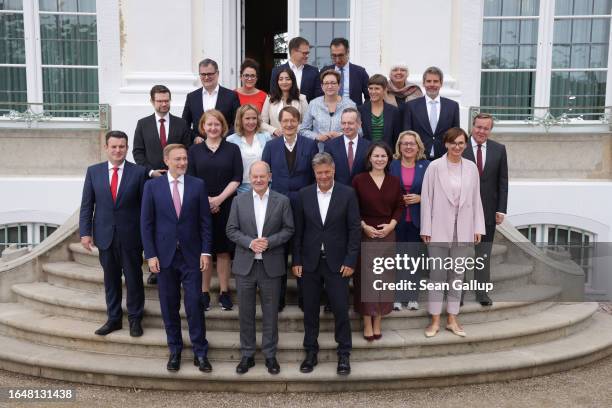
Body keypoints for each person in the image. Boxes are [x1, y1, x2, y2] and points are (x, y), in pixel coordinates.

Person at [140, 143, 213, 373]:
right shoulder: (152, 187)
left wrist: (206, 251)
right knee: (169, 306)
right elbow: (146, 224)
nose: (183, 163)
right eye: (178, 159)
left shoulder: (197, 185)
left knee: (194, 304)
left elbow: (205, 222)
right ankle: (175, 350)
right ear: (166, 161)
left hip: (192, 256)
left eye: (185, 158)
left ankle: (200, 352)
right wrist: (150, 255)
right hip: (164, 257)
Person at [292, 152, 361, 376]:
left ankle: (344, 354)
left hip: (338, 264)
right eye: (319, 172)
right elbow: (298, 231)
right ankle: (311, 352)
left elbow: (354, 230)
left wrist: (351, 260)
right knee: (310, 311)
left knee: (341, 310)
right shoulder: (303, 195)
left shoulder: (347, 193)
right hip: (310, 263)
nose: (323, 176)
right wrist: (297, 260)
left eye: (327, 172)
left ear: (333, 171)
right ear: (314, 173)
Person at [226, 161, 294, 375]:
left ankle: (270, 355)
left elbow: (288, 229)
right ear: (249, 177)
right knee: (245, 312)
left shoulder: (282, 201)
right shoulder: (238, 201)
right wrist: (249, 242)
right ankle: (247, 355)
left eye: (262, 176)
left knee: (271, 312)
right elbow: (231, 229)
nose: (258, 180)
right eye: (254, 176)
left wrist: (270, 241)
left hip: (271, 265)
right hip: (245, 264)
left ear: (269, 176)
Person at [79, 130, 146, 337]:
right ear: (106, 148)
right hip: (105, 236)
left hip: (131, 236)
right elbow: (87, 205)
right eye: (114, 146)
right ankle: (114, 319)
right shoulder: (94, 172)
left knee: (134, 279)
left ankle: (135, 319)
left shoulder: (139, 172)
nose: (118, 150)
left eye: (122, 146)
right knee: (111, 279)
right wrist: (85, 232)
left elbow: (145, 209)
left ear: (127, 148)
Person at [420, 127, 485, 338]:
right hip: (438, 228)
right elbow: (427, 199)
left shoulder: (471, 168)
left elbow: (476, 199)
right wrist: (426, 228)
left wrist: (478, 227)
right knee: (437, 274)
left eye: (461, 143)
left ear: (465, 145)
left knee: (457, 275)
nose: (457, 147)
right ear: (446, 144)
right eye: (453, 143)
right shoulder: (434, 167)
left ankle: (452, 318)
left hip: (464, 228)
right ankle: (435, 320)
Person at [133, 85, 192, 285]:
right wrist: (151, 172)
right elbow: (138, 153)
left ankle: (181, 264)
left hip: (178, 181)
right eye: (159, 100)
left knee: (176, 223)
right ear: (152, 102)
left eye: (166, 100)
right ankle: (155, 267)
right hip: (153, 182)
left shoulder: (181, 124)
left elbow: (187, 150)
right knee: (155, 225)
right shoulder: (143, 124)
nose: (163, 104)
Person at [262, 106, 318, 311]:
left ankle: (305, 299)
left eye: (293, 120)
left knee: (301, 249)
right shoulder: (271, 146)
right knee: (278, 252)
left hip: (303, 205)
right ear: (280, 122)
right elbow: (266, 177)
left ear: (299, 122)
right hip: (277, 205)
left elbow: (313, 178)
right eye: (285, 121)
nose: (288, 124)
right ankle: (278, 299)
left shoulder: (310, 145)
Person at [188, 110, 243, 312]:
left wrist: (219, 199)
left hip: (226, 203)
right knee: (204, 250)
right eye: (209, 125)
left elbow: (237, 177)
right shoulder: (194, 151)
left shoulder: (233, 149)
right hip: (200, 206)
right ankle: (204, 292)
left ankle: (224, 291)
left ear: (223, 127)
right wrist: (206, 201)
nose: (213, 128)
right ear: (203, 127)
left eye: (217, 124)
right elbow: (191, 179)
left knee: (223, 250)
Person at [351, 142, 403, 341]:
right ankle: (366, 322)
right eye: (376, 156)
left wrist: (392, 225)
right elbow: (353, 207)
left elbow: (399, 205)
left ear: (389, 159)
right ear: (369, 158)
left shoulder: (394, 181)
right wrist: (364, 226)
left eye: (383, 156)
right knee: (366, 279)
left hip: (387, 233)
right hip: (366, 232)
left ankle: (378, 321)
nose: (380, 159)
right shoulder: (359, 180)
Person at [462, 113, 508, 306]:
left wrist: (501, 209)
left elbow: (503, 181)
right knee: (460, 254)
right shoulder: (460, 148)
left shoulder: (499, 149)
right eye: (478, 127)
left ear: (490, 130)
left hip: (488, 212)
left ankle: (482, 294)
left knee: (483, 254)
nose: (481, 131)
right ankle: (459, 294)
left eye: (486, 128)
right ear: (472, 126)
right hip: (463, 211)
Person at [389, 131, 430, 310]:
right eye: (404, 143)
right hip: (396, 220)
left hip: (416, 219)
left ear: (418, 146)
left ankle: (412, 296)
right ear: (399, 146)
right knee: (398, 259)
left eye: (412, 144)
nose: (408, 147)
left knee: (413, 259)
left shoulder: (427, 166)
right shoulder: (392, 166)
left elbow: (435, 192)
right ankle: (398, 297)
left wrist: (421, 198)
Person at [402, 66, 460, 160]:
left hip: (444, 158)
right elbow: (407, 134)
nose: (432, 84)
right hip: (418, 158)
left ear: (441, 83)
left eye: (436, 81)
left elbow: (456, 134)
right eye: (428, 81)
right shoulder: (411, 106)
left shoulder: (453, 106)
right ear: (423, 83)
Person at [182, 58, 241, 142]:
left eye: (210, 74)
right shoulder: (192, 97)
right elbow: (185, 124)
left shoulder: (231, 96)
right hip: (199, 147)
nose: (206, 77)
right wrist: (194, 137)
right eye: (203, 74)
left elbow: (237, 122)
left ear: (217, 73)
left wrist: (225, 138)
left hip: (224, 145)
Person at [300, 69, 356, 151]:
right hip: (318, 152)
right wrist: (317, 136)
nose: (330, 86)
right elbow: (303, 130)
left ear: (339, 85)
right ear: (322, 86)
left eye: (333, 83)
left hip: (343, 151)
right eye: (326, 83)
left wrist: (341, 135)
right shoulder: (313, 104)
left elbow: (359, 131)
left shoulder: (350, 105)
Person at [226, 104, 272, 193]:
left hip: (264, 186)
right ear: (240, 120)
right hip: (240, 188)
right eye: (247, 118)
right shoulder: (230, 140)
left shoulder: (266, 136)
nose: (251, 122)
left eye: (254, 118)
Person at [323, 107, 371, 185]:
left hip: (362, 193)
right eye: (343, 123)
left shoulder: (369, 146)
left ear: (359, 124)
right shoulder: (330, 146)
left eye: (350, 123)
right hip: (339, 192)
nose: (346, 127)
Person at [269, 37, 322, 102]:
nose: (307, 56)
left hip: (308, 111)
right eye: (304, 53)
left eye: (308, 53)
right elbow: (274, 95)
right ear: (293, 51)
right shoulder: (276, 71)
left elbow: (318, 97)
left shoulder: (314, 71)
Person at [320, 37, 369, 106]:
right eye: (334, 56)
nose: (337, 60)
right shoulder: (324, 71)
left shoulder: (360, 72)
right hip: (329, 113)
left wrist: (362, 111)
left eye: (340, 55)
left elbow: (369, 96)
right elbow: (319, 95)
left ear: (348, 52)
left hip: (353, 113)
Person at [261, 67, 309, 137]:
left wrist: (291, 130)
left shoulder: (302, 98)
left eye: (288, 79)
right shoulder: (270, 98)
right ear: (277, 82)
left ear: (293, 81)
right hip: (275, 139)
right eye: (281, 79)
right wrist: (274, 130)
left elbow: (307, 123)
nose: (284, 82)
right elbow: (262, 122)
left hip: (296, 138)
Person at [358, 74, 401, 148]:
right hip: (366, 153)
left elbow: (397, 137)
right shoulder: (360, 110)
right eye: (370, 88)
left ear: (385, 90)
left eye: (377, 88)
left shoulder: (394, 111)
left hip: (387, 154)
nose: (373, 92)